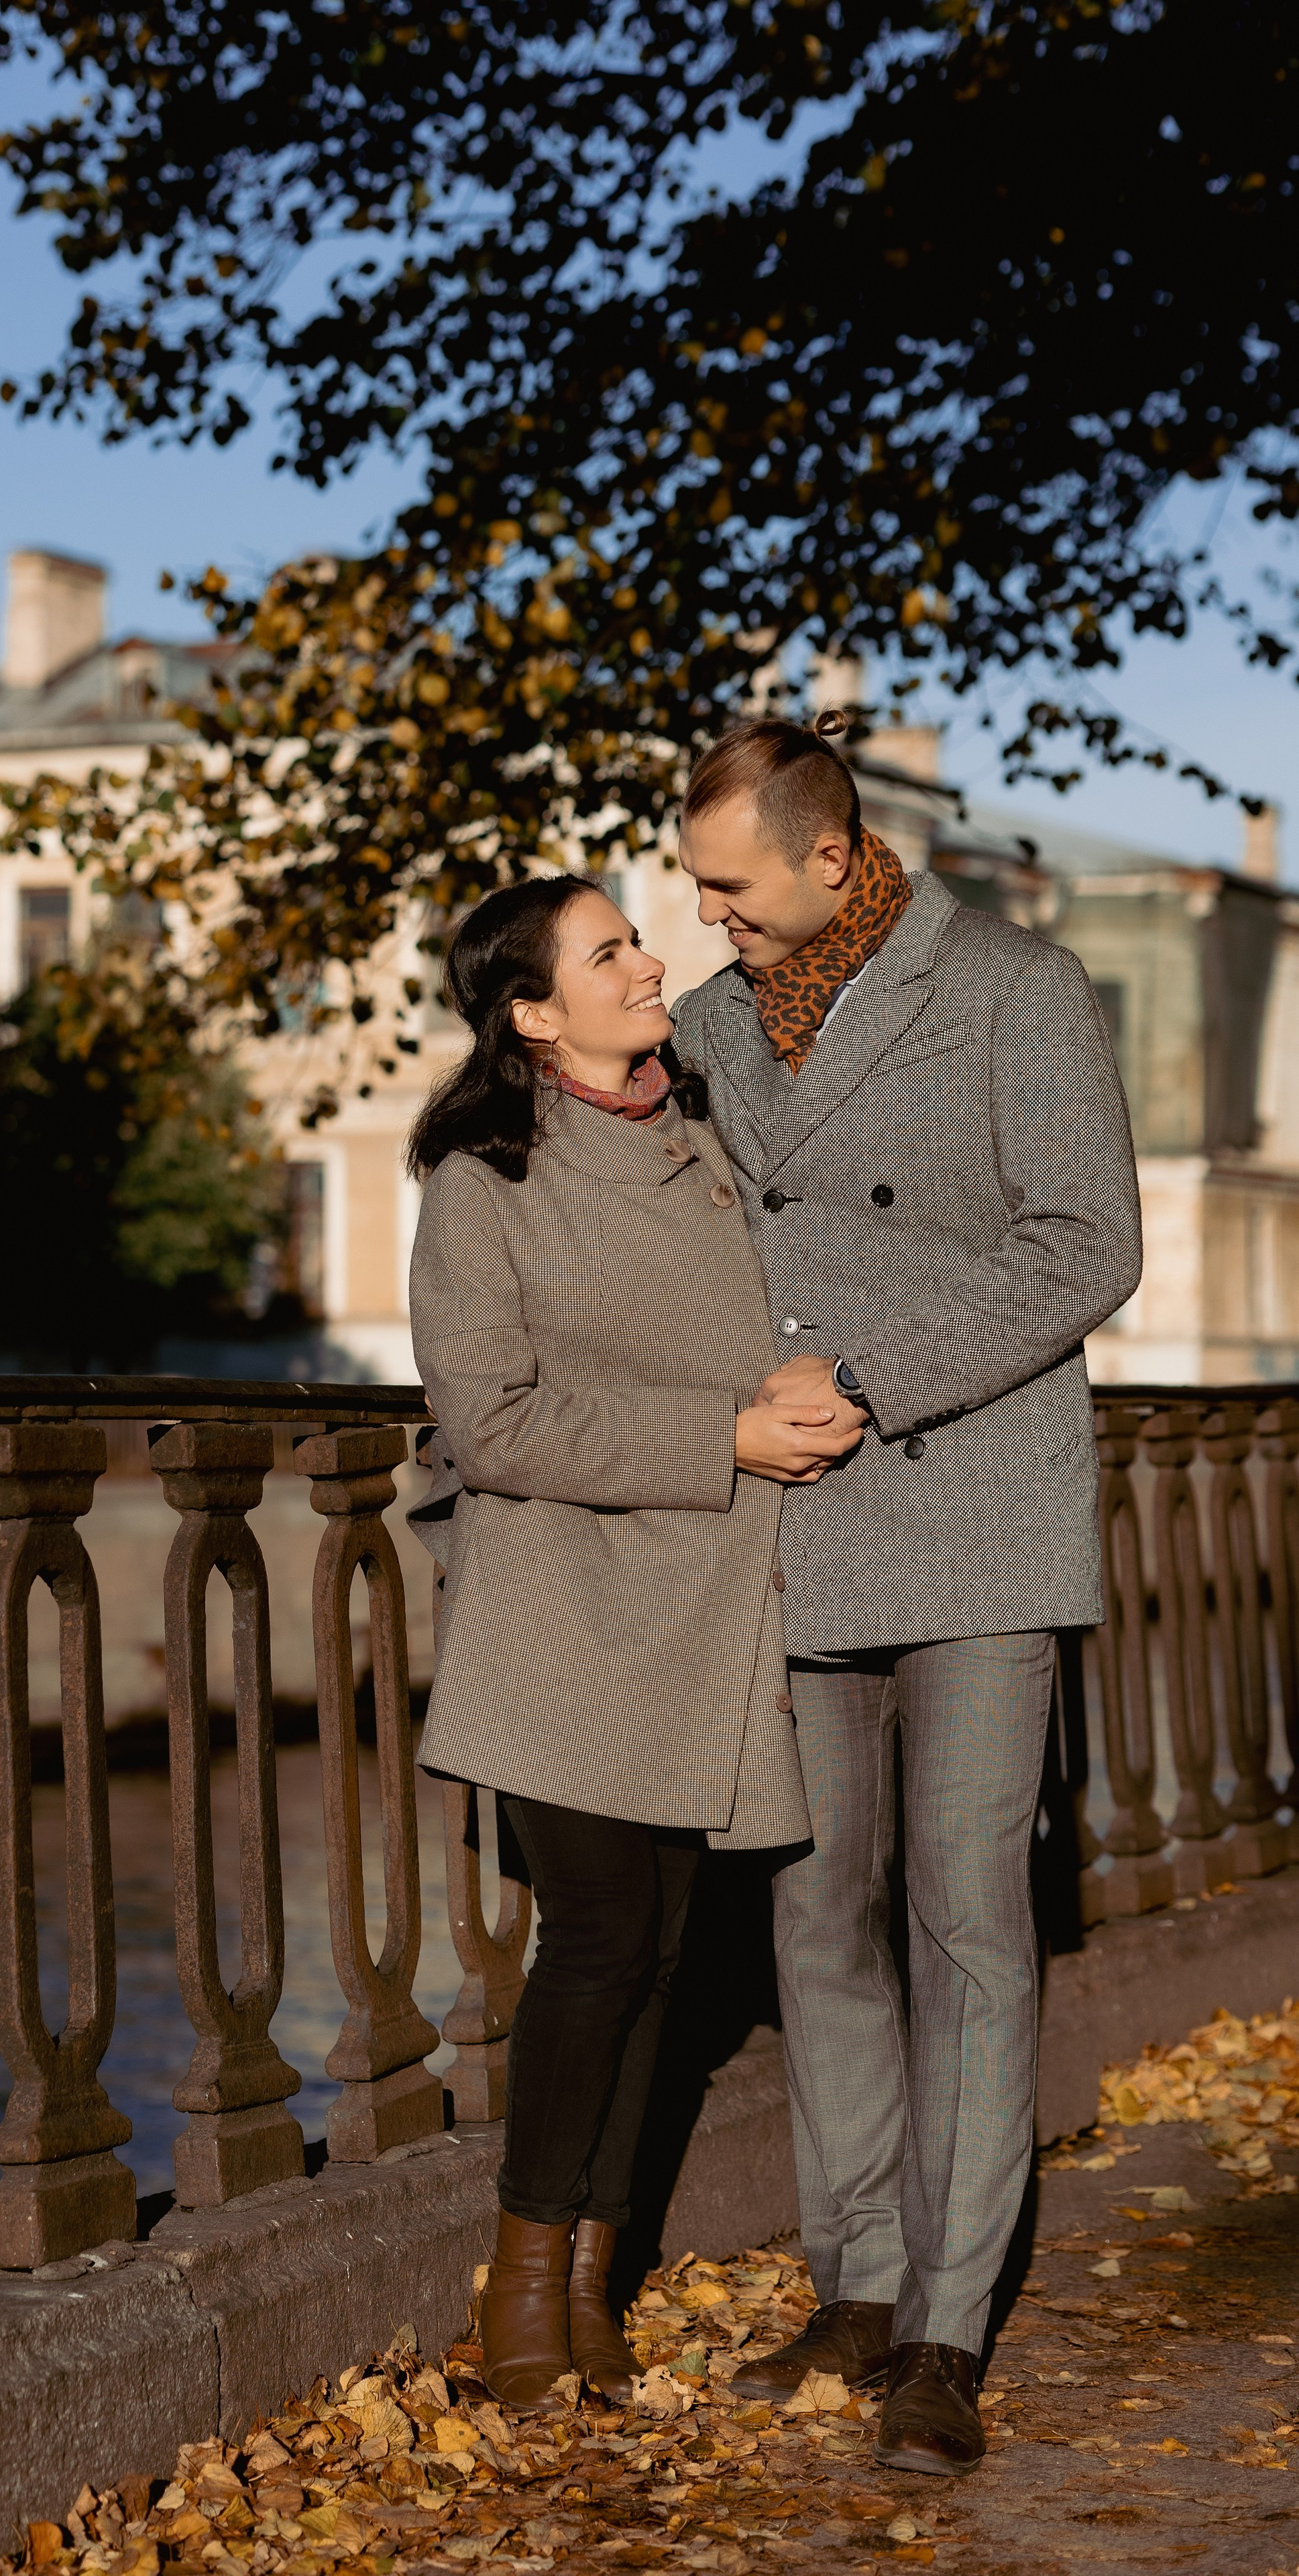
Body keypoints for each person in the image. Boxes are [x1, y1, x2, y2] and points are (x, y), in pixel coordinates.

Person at [670, 712, 1141, 2476]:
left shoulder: (1017, 990)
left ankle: (947, 2327)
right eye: (694, 887)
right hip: (795, 1520)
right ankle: (857, 2286)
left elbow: (1087, 1242)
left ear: (831, 855)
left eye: (731, 886)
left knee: (964, 1916)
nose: (709, 916)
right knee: (816, 1913)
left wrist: (869, 1378)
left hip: (974, 1511)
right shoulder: (708, 1027)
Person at [406, 872, 863, 2417]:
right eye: (606, 952)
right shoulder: (483, 1176)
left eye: (634, 937)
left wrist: (807, 1385)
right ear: (533, 1013)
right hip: (560, 1611)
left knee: (662, 1950)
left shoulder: (709, 1134)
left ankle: (593, 2279)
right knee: (598, 1938)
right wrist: (720, 1434)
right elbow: (489, 1421)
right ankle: (522, 2284)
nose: (646, 960)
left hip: (712, 1599)